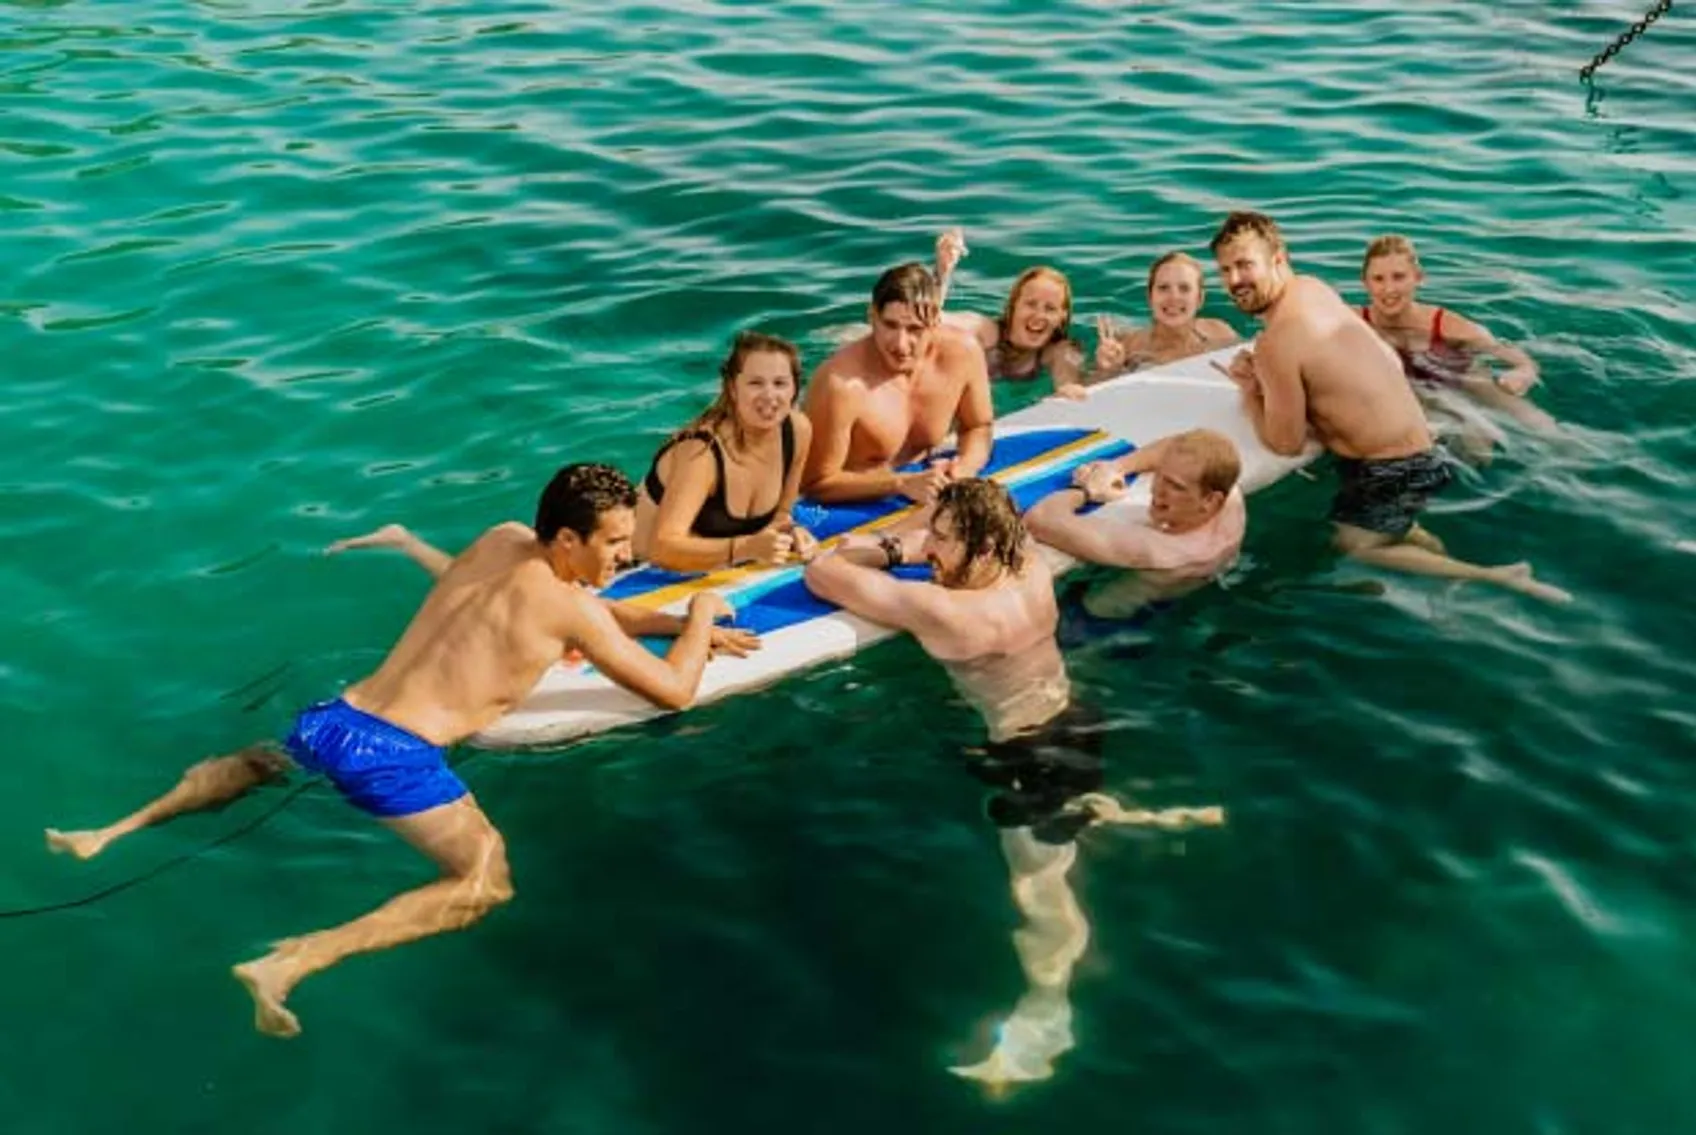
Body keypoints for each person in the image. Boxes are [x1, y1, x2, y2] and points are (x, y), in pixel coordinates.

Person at [44, 464, 746, 1038]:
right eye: (616, 541)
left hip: (337, 716)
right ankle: (291, 961)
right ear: (568, 538)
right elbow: (674, 690)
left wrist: (667, 618)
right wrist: (705, 615)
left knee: (263, 761)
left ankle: (106, 831)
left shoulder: (502, 539)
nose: (627, 554)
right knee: (484, 879)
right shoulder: (573, 608)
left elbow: (600, 613)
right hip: (397, 756)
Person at [803, 479, 1220, 1089]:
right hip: (1078, 721)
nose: (932, 548)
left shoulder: (943, 608)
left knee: (1040, 889)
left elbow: (823, 572)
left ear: (980, 544)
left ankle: (1049, 1010)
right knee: (1063, 830)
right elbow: (1013, 526)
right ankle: (1137, 818)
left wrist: (897, 550)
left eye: (943, 539)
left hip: (1026, 755)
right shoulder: (1029, 570)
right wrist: (937, 541)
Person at [1209, 211, 1570, 604]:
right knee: (1394, 529)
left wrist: (1251, 388)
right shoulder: (1313, 289)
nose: (1233, 280)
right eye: (1225, 269)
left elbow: (1285, 443)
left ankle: (1496, 577)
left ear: (1278, 259)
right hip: (1425, 448)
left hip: (1391, 468)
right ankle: (1444, 576)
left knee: (1354, 545)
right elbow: (1332, 370)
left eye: (1244, 265)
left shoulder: (1277, 342)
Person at [801, 261, 995, 504]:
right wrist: (900, 484)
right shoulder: (841, 385)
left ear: (935, 320)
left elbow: (978, 426)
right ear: (872, 316)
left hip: (923, 478)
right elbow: (814, 483)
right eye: (890, 325)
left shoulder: (963, 353)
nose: (901, 344)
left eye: (915, 329)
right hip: (858, 496)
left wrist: (965, 467)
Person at [635, 329, 817, 571]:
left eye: (780, 383)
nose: (769, 395)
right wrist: (745, 548)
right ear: (732, 388)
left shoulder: (797, 431)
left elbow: (781, 515)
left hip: (706, 567)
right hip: (630, 567)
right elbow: (663, 548)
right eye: (755, 383)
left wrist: (791, 532)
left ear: (794, 388)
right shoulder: (702, 453)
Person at [1024, 428, 1247, 610]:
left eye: (1175, 487)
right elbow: (1178, 446)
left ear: (1210, 500)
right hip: (1187, 589)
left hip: (1099, 622)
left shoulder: (1156, 548)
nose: (1157, 489)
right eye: (1161, 476)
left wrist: (1086, 491)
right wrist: (1117, 466)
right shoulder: (1230, 501)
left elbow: (1040, 519)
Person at [1358, 234, 1558, 434]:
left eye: (1399, 277)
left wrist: (1524, 370)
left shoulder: (1445, 324)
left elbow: (1503, 351)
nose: (1388, 288)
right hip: (1406, 394)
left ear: (1418, 278)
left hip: (1454, 378)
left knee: (1536, 423)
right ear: (1365, 282)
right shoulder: (1352, 320)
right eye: (1378, 279)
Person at [932, 228, 1088, 398]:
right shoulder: (987, 331)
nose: (1038, 315)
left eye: (1050, 309)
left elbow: (1070, 386)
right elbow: (930, 320)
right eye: (1031, 304)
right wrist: (942, 273)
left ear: (1061, 317)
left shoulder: (1059, 351)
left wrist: (1109, 370)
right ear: (1013, 306)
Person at [1090, 252, 1241, 383]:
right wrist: (1108, 371)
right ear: (1150, 297)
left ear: (1199, 299)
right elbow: (1090, 396)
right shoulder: (1129, 348)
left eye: (1184, 288)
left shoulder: (1220, 333)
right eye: (1163, 288)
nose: (1173, 297)